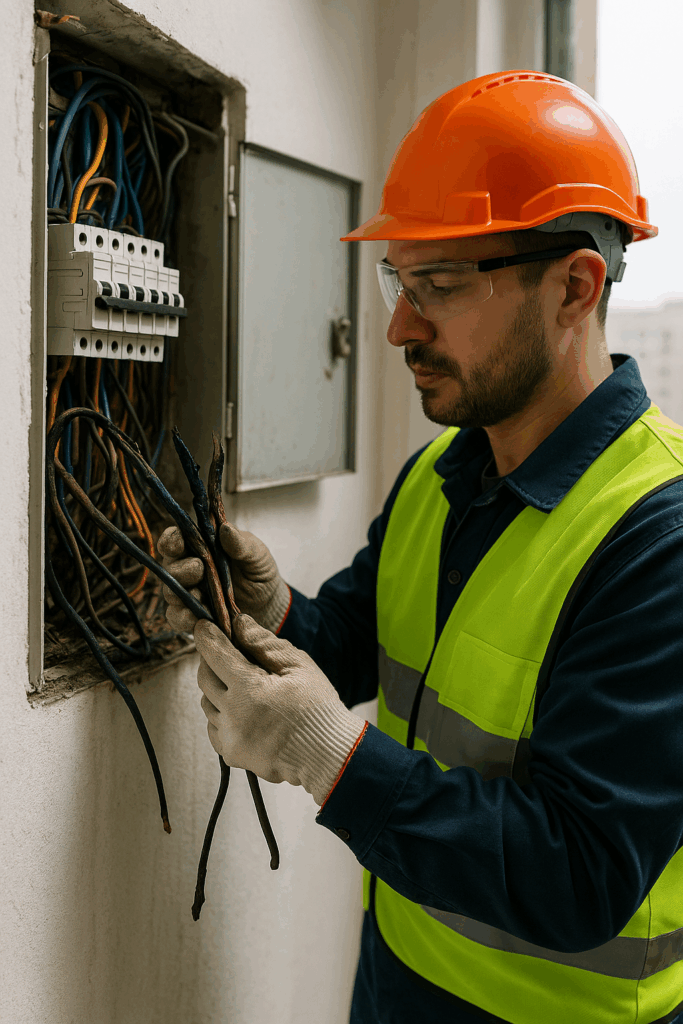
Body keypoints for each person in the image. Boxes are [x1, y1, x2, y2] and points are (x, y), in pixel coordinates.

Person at [158, 70, 683, 1024]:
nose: (399, 326)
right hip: (400, 980)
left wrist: (329, 759)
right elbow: (358, 647)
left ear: (575, 287)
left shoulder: (658, 540)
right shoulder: (442, 475)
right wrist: (271, 611)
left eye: (437, 286)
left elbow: (580, 872)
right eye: (398, 282)